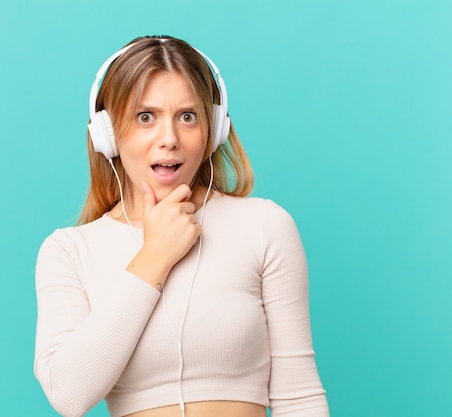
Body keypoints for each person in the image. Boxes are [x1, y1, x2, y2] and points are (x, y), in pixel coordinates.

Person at [34, 35, 329, 417]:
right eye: (146, 117)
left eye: (187, 117)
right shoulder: (69, 252)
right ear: (108, 135)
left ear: (214, 129)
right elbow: (68, 394)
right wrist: (153, 257)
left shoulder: (264, 225)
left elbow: (299, 397)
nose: (169, 139)